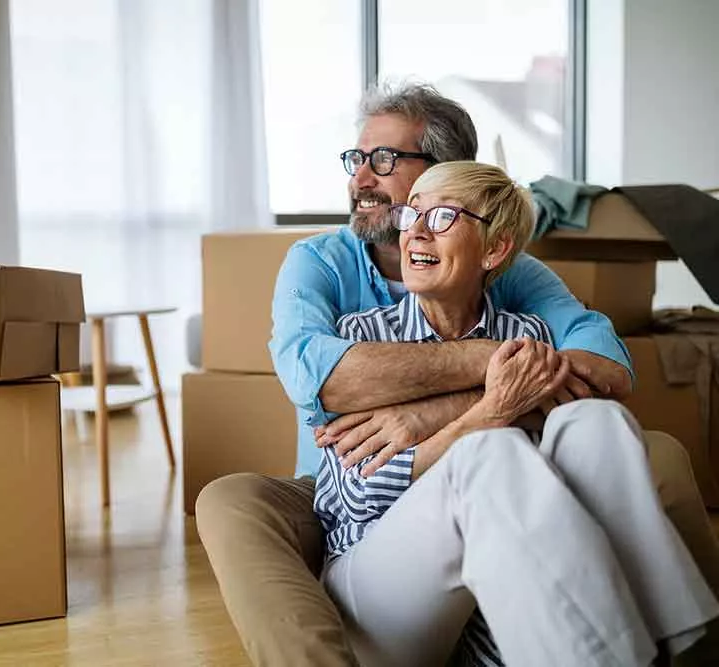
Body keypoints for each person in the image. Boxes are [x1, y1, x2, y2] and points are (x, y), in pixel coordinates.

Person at [195, 82, 719, 667]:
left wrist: (439, 408)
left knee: (605, 429)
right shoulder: (325, 270)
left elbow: (607, 370)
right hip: (343, 505)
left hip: (506, 490)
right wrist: (496, 388)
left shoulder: (519, 280)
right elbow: (319, 382)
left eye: (385, 161)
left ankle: (683, 647)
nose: (362, 178)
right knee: (231, 500)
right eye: (357, 159)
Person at [314, 160, 717, 666]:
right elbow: (356, 495)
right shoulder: (360, 339)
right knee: (494, 448)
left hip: (508, 593)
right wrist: (489, 413)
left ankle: (678, 648)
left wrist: (433, 418)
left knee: (596, 421)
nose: (415, 232)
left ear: (496, 249)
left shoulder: (532, 337)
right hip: (378, 588)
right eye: (411, 214)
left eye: (441, 217)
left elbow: (597, 391)